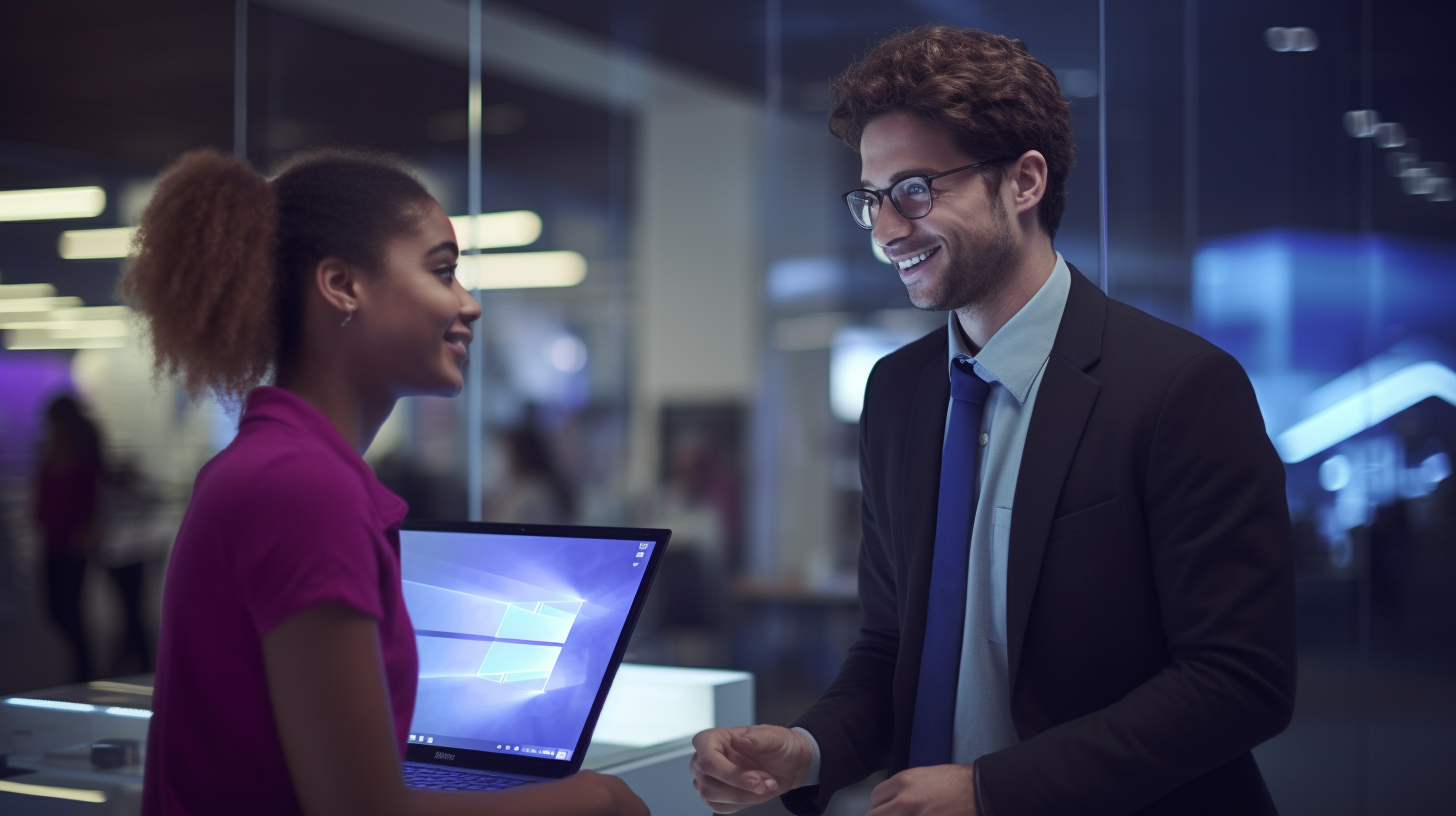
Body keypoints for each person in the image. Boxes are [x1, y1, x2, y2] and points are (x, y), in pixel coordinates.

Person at [690, 25, 1296, 816]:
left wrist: (992, 791)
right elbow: (887, 648)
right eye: (872, 198)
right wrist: (808, 750)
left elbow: (1238, 681)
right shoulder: (897, 393)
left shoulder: (1180, 387)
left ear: (1025, 181)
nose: (885, 230)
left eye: (914, 189)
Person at [125, 148, 646, 816]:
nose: (470, 304)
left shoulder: (276, 468)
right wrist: (591, 800)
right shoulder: (302, 488)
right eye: (444, 272)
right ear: (342, 285)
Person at [34, 394, 106, 683]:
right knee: (52, 606)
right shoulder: (50, 453)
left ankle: (84, 667)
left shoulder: (84, 457)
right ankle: (81, 662)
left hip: (74, 544)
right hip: (51, 539)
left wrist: (86, 533)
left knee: (71, 609)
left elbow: (92, 501)